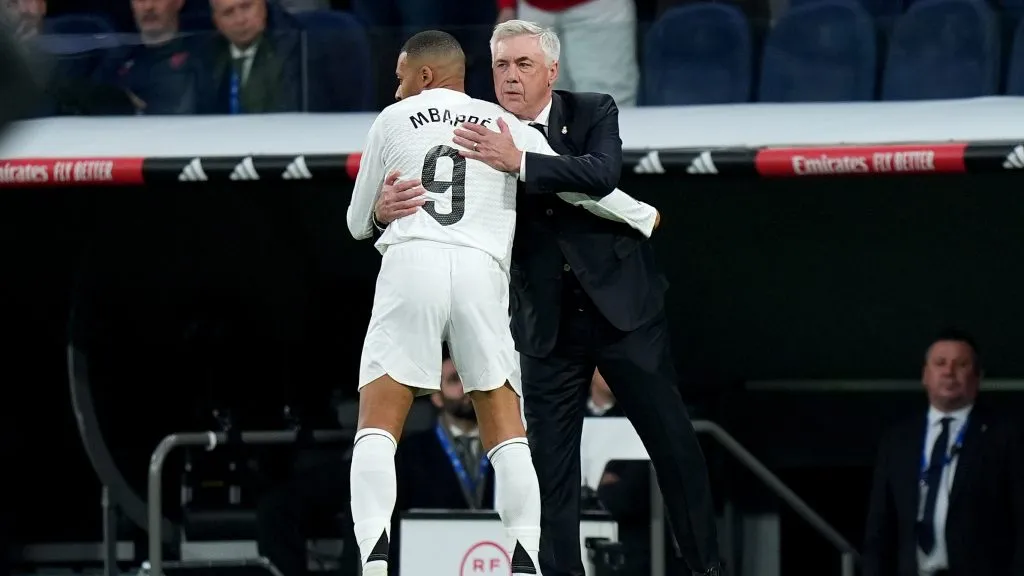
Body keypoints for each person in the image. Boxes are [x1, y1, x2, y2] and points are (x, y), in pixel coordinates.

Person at [375, 20, 724, 576]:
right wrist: (381, 211)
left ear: (552, 71)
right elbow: (436, 203)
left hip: (623, 311)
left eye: (524, 65)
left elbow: (602, 174)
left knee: (675, 448)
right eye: (501, 67)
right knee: (547, 473)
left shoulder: (593, 110)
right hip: (543, 325)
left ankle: (706, 568)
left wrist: (521, 162)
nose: (510, 78)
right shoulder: (475, 127)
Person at [862, 329, 1024, 576]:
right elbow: (879, 527)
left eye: (961, 365)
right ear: (925, 375)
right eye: (940, 363)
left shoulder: (1005, 437)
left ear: (977, 376)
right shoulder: (898, 441)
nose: (949, 372)